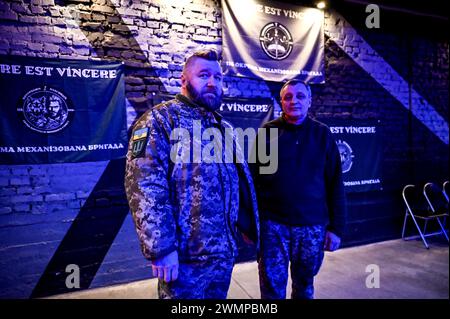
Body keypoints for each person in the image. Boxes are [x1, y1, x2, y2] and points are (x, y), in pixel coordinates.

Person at [124, 49, 259, 299]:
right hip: (184, 257)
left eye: (217, 77)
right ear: (183, 80)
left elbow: (236, 181)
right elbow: (144, 186)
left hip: (222, 253)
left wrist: (247, 224)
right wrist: (162, 249)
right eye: (203, 75)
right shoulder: (159, 121)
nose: (212, 82)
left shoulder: (224, 127)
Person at [253, 79, 347, 299]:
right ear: (281, 102)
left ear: (310, 101)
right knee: (271, 290)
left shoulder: (322, 135)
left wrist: (337, 228)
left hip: (311, 229)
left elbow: (335, 183)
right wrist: (251, 225)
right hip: (272, 229)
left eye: (300, 96)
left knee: (304, 288)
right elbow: (255, 182)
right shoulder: (267, 133)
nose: (294, 101)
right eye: (288, 97)